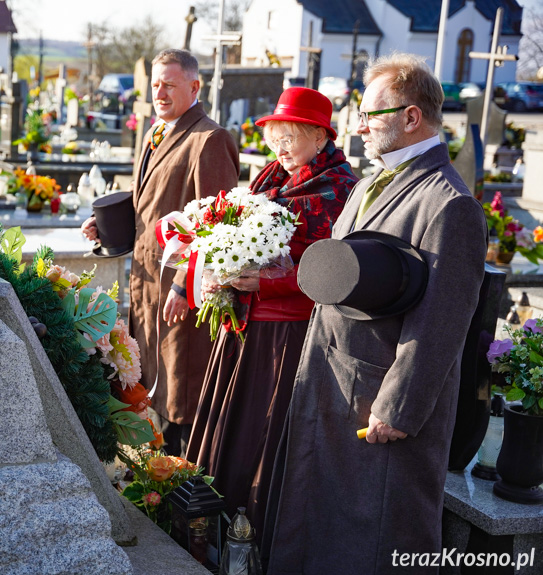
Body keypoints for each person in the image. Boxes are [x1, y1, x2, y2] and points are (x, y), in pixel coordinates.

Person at [262, 53, 487, 574]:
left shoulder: (449, 203)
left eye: (371, 115)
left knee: (376, 534)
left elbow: (443, 321)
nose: (358, 127)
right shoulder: (368, 184)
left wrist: (399, 407)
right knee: (321, 522)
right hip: (333, 376)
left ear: (413, 117)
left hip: (379, 399)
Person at [186, 87, 356, 532]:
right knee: (228, 427)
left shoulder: (339, 189)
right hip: (244, 327)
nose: (279, 148)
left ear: (320, 137)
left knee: (259, 436)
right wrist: (216, 268)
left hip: (285, 337)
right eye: (275, 137)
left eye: (290, 137)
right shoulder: (269, 178)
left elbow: (331, 273)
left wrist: (265, 281)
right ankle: (208, 529)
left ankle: (249, 531)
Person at [80, 49, 239, 455]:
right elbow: (150, 203)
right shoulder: (156, 132)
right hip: (146, 287)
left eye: (170, 84)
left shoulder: (210, 139)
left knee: (179, 400)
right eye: (155, 84)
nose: (161, 92)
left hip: (178, 296)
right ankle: (154, 485)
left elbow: (219, 226)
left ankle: (183, 497)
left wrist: (188, 288)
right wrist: (107, 228)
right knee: (148, 391)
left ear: (194, 86)